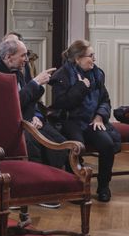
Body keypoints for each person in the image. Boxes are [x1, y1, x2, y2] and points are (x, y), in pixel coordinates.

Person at [0, 37, 67, 207]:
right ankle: (35, 191)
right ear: (9, 57)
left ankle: (49, 187)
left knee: (58, 140)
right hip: (7, 125)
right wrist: (35, 82)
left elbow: (30, 101)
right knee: (32, 143)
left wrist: (37, 117)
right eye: (23, 55)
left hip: (27, 120)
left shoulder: (19, 71)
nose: (26, 59)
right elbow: (11, 103)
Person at [50, 40, 119, 203]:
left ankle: (103, 187)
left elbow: (105, 100)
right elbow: (61, 104)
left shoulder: (97, 73)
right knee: (77, 147)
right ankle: (76, 188)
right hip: (69, 120)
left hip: (91, 120)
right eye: (91, 56)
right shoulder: (61, 75)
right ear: (78, 58)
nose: (94, 60)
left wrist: (100, 116)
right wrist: (81, 87)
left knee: (107, 144)